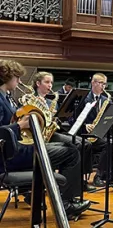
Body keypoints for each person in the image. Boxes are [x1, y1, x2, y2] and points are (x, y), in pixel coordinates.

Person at [0, 59, 90, 218]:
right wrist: (20, 125)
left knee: (70, 148)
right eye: (17, 77)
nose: (19, 81)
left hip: (17, 149)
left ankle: (49, 197)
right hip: (12, 156)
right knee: (71, 152)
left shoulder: (6, 97)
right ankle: (66, 204)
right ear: (6, 77)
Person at [32, 71, 95, 191]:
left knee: (85, 144)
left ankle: (80, 179)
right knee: (76, 144)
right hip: (42, 135)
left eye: (51, 82)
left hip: (53, 132)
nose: (50, 85)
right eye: (47, 82)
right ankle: (66, 184)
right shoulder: (32, 100)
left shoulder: (51, 102)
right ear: (38, 83)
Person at [74, 73, 113, 187]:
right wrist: (85, 125)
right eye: (100, 83)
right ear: (93, 83)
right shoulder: (83, 98)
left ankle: (110, 172)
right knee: (109, 143)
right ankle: (98, 176)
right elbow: (73, 118)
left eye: (105, 84)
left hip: (100, 134)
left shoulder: (106, 100)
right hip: (85, 135)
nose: (103, 86)